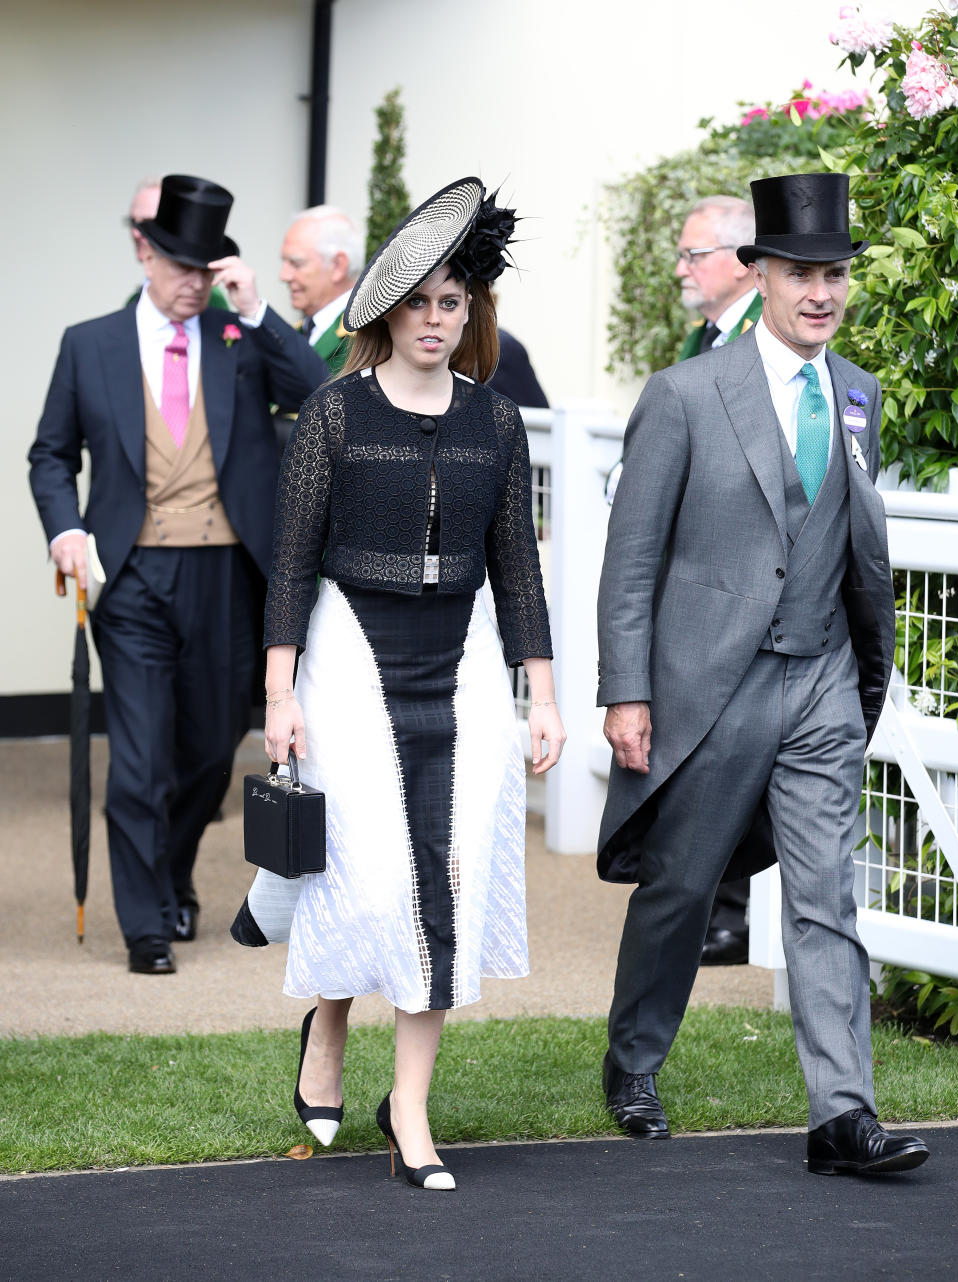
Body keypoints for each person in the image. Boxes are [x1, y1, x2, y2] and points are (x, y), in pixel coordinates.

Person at [596, 172, 930, 1176]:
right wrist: (627, 690)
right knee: (683, 886)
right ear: (763, 277)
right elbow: (633, 556)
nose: (820, 292)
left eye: (833, 275)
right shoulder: (687, 395)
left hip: (824, 679)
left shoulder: (859, 393)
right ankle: (633, 1062)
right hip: (712, 687)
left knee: (827, 896)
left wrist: (861, 668)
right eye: (800, 273)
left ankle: (843, 1114)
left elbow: (850, 539)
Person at [235, 177, 564, 1191]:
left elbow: (520, 568)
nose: (435, 318)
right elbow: (290, 561)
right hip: (348, 652)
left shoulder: (497, 423)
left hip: (459, 658)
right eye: (418, 300)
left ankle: (410, 1108)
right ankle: (327, 1022)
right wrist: (279, 696)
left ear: (472, 313)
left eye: (452, 302)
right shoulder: (334, 415)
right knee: (370, 875)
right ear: (386, 309)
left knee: (450, 873)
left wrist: (541, 694)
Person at [29, 174, 327, 974]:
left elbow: (324, 394)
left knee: (206, 753)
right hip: (130, 580)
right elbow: (51, 454)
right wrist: (64, 526)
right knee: (139, 759)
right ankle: (146, 926)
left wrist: (260, 313)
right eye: (181, 267)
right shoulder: (87, 344)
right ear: (146, 255)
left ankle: (174, 868)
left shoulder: (240, 342)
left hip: (228, 574)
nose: (195, 283)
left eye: (209, 269)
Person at [675, 195, 762, 966]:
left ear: (740, 261)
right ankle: (707, 902)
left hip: (752, 579)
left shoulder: (762, 339)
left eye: (693, 255)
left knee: (738, 750)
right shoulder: (706, 335)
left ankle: (731, 912)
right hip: (701, 577)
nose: (682, 268)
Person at [675, 195, 762, 360]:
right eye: (681, 255)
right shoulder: (701, 334)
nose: (680, 271)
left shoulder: (771, 333)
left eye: (694, 254)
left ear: (740, 262)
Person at [279, 204, 362, 375]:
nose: (284, 276)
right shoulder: (300, 331)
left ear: (338, 266)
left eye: (296, 263)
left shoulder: (365, 338)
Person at [125, 177, 229, 310]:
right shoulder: (136, 298)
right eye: (134, 222)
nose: (136, 233)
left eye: (148, 224)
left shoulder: (202, 297)